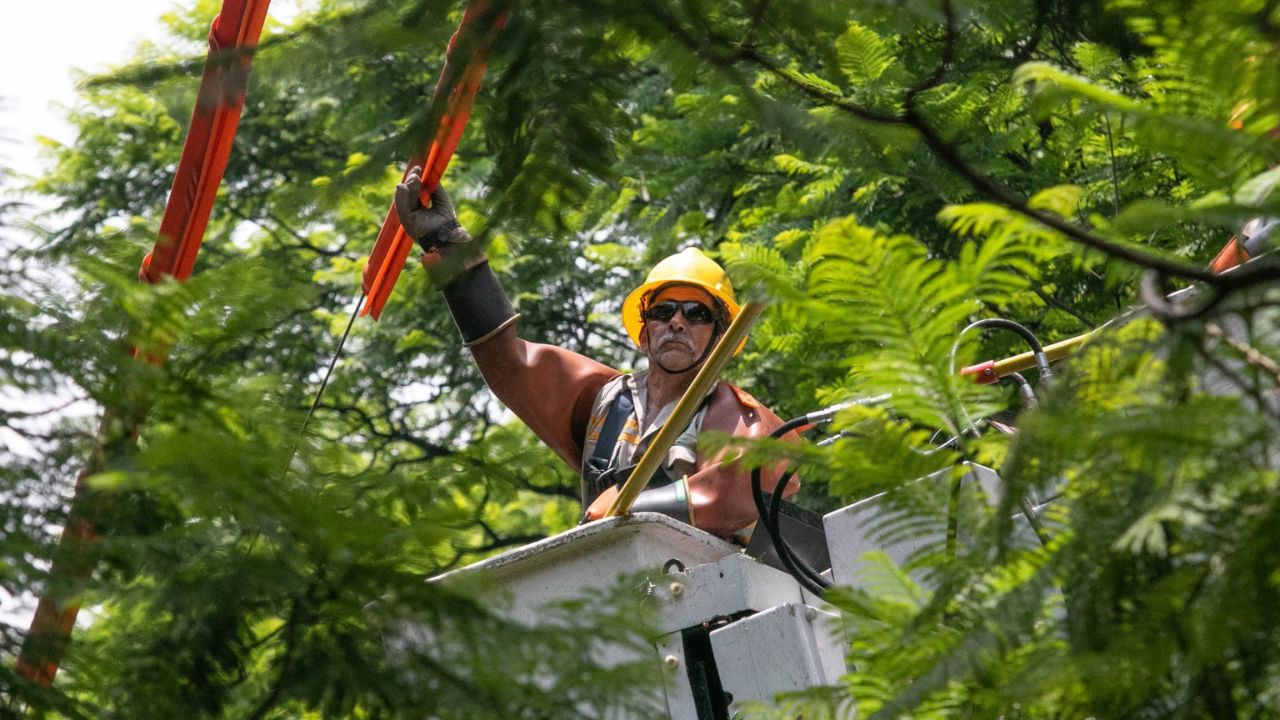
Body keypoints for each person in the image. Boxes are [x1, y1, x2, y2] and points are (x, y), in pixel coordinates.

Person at [395, 167, 794, 541]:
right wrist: (447, 245)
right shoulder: (607, 400)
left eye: (696, 313)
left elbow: (764, 475)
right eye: (662, 310)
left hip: (702, 598)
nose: (677, 322)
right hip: (610, 587)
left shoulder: (733, 414)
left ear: (719, 338)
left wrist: (631, 506)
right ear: (644, 333)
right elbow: (511, 366)